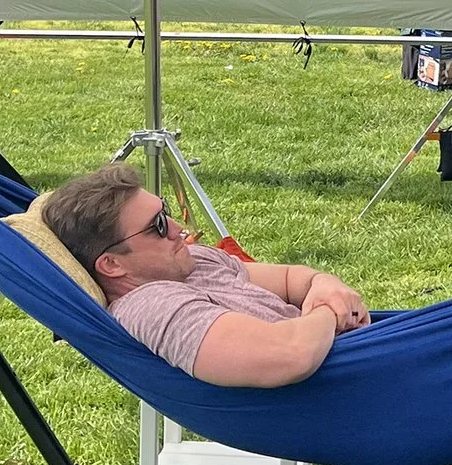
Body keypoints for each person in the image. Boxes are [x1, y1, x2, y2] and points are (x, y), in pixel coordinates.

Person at [41, 162, 371, 386]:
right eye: (156, 227)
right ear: (112, 265)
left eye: (165, 211)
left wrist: (324, 284)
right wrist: (330, 310)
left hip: (355, 357)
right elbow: (288, 356)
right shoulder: (152, 305)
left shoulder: (187, 262)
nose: (177, 228)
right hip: (343, 384)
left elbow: (289, 279)